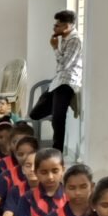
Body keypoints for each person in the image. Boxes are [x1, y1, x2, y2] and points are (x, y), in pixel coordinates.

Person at [30, 9, 81, 152]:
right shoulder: (65, 39)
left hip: (67, 83)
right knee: (35, 113)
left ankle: (57, 151)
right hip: (58, 81)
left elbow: (65, 64)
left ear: (67, 26)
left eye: (57, 25)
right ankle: (56, 148)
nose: (54, 28)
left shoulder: (75, 40)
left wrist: (54, 48)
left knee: (58, 118)